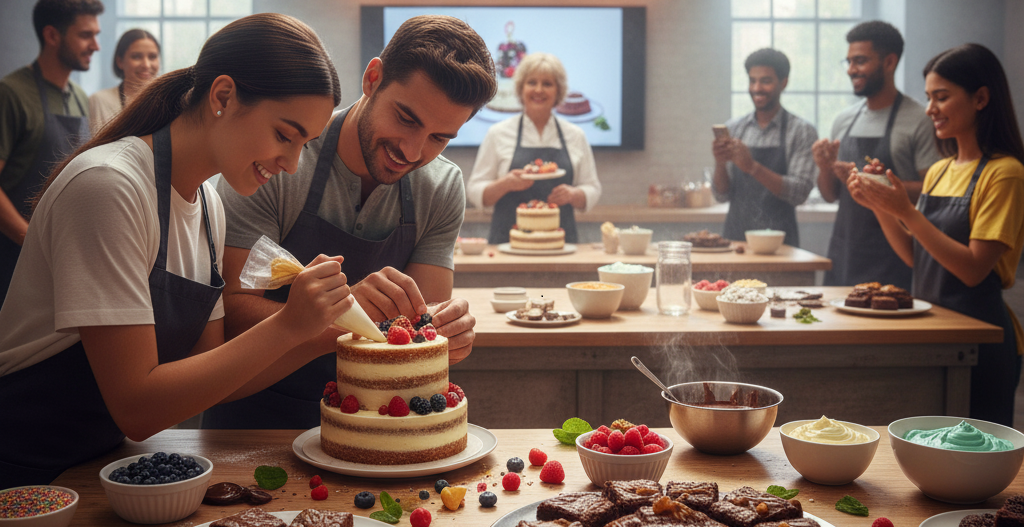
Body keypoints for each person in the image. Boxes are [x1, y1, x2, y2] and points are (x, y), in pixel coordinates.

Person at [0, 13, 353, 487]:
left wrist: (323, 332)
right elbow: (138, 409)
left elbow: (208, 381)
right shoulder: (110, 186)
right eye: (283, 136)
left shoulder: (208, 203)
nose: (290, 164)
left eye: (305, 146)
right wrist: (289, 323)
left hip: (96, 467)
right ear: (223, 96)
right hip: (23, 468)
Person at [203, 14, 494, 429]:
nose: (412, 151)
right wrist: (340, 313)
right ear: (373, 78)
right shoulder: (277, 158)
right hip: (254, 420)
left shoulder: (442, 187)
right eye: (407, 119)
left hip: (378, 425)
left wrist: (446, 333)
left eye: (438, 137)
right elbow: (226, 314)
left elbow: (420, 327)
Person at [848, 43, 1024, 427]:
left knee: (975, 466)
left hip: (982, 337)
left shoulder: (1005, 173)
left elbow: (974, 269)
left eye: (941, 97)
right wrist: (879, 203)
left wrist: (905, 210)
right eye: (929, 98)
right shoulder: (940, 170)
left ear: (980, 98)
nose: (930, 109)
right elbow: (917, 256)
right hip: (932, 334)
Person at [814, 20, 940, 289]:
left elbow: (935, 194)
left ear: (890, 61)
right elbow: (830, 195)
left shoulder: (920, 119)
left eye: (860, 61)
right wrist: (824, 168)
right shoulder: (843, 120)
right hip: (846, 252)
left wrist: (874, 184)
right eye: (848, 62)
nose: (851, 70)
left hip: (896, 257)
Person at [0, 0, 103, 303]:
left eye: (96, 34)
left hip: (61, 258)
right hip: (13, 259)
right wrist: (32, 242)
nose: (96, 45)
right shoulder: (12, 93)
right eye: (86, 35)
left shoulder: (80, 98)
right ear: (52, 35)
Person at [467, 52, 601, 245]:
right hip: (507, 244)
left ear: (559, 91)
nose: (539, 90)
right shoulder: (498, 133)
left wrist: (574, 194)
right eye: (531, 82)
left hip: (561, 245)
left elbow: (592, 188)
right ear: (521, 88)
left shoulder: (575, 135)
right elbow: (474, 190)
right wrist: (505, 184)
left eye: (547, 84)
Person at [711, 48, 817, 247]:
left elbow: (799, 192)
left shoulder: (801, 131)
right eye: (752, 80)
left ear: (783, 83)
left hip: (781, 246)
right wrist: (720, 164)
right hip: (735, 241)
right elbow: (722, 194)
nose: (756, 88)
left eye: (765, 81)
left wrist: (752, 167)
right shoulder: (735, 128)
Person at [88, 28, 160, 133]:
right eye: (136, 57)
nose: (146, 65)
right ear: (120, 61)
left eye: (152, 57)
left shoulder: (168, 103)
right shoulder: (99, 101)